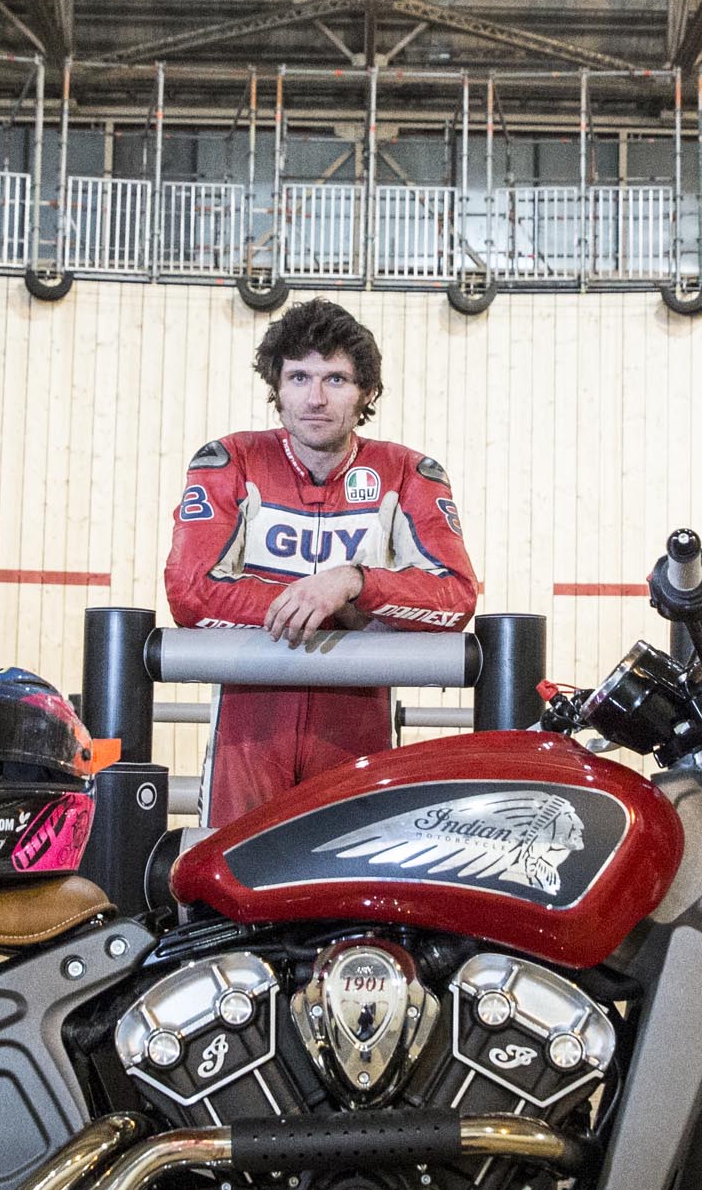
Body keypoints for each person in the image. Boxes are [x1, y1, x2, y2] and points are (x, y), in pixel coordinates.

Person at [164, 297, 481, 828]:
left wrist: (353, 581)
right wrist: (335, 608)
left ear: (366, 393)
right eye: (298, 377)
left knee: (353, 892)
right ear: (276, 388)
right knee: (234, 890)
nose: (314, 398)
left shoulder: (407, 472)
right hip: (250, 723)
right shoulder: (230, 459)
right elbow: (190, 593)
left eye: (335, 379)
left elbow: (456, 597)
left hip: (357, 722)